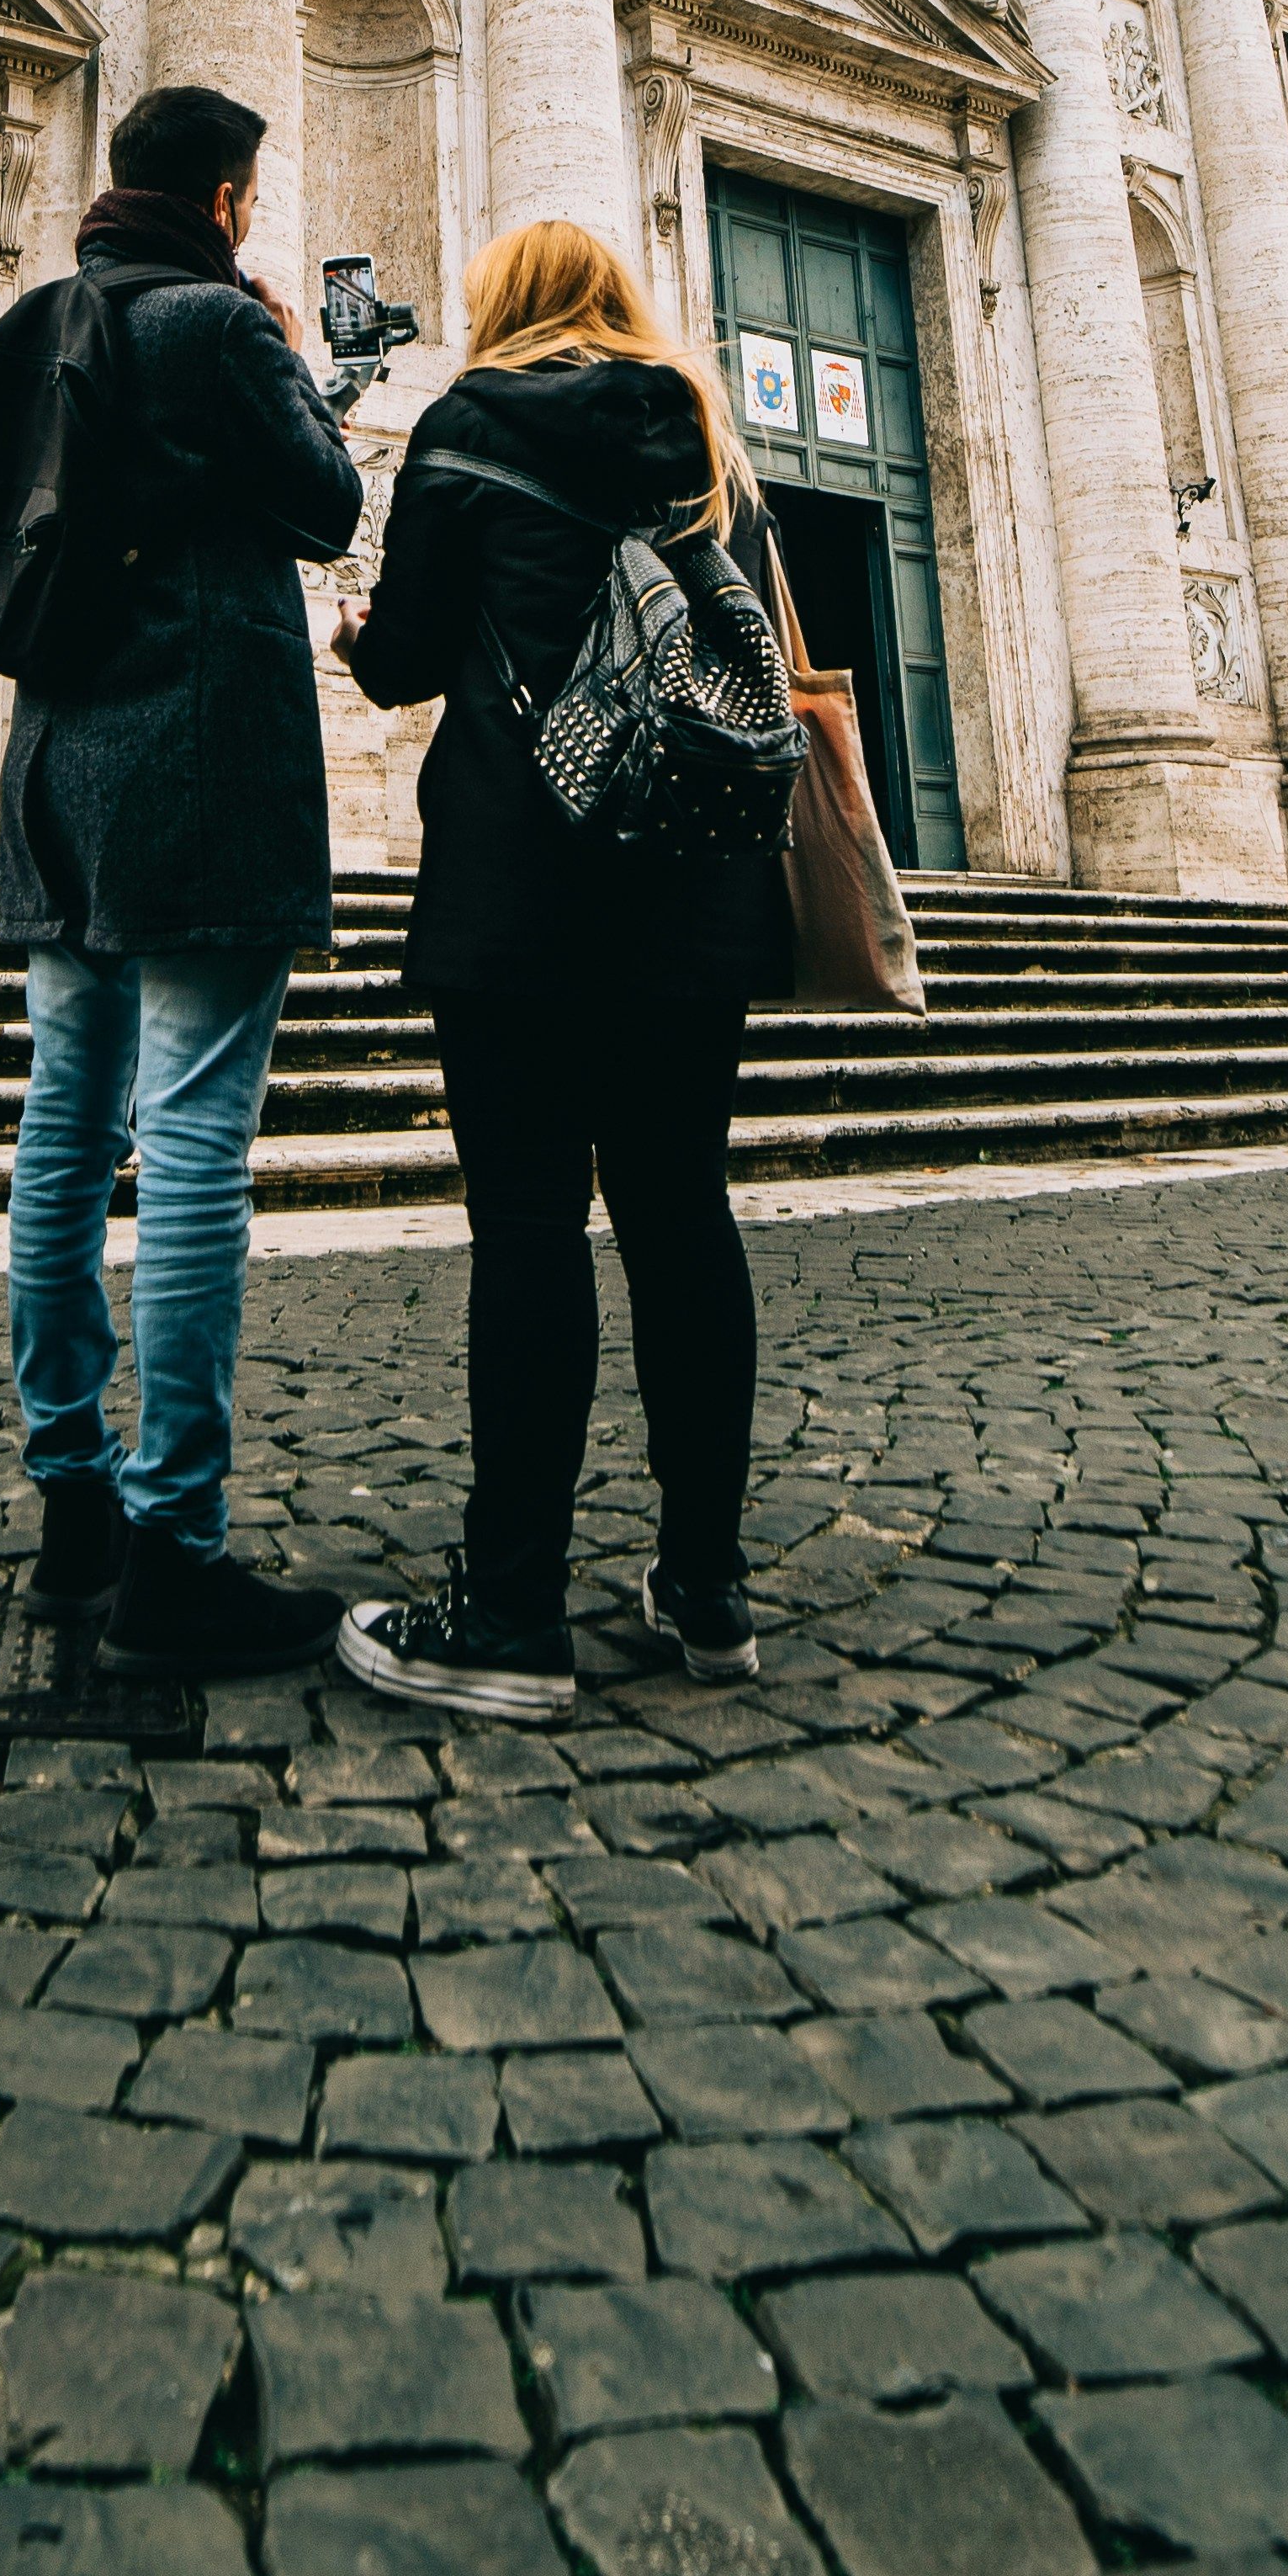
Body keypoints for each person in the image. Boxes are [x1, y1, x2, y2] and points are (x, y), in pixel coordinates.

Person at [329, 220, 787, 1718]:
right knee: (681, 1210)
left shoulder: (467, 428)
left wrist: (361, 636)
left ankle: (514, 1614)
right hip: (695, 884)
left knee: (529, 1224)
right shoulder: (707, 445)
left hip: (523, 884)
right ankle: (708, 1590)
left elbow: (404, 659)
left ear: (500, 308)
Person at [0, 81, 362, 1680]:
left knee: (65, 1132)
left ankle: (73, 1499)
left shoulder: (26, 327)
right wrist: (283, 347)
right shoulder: (218, 326)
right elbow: (332, 506)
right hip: (203, 765)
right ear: (226, 198)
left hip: (60, 773)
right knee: (198, 1134)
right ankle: (176, 1547)